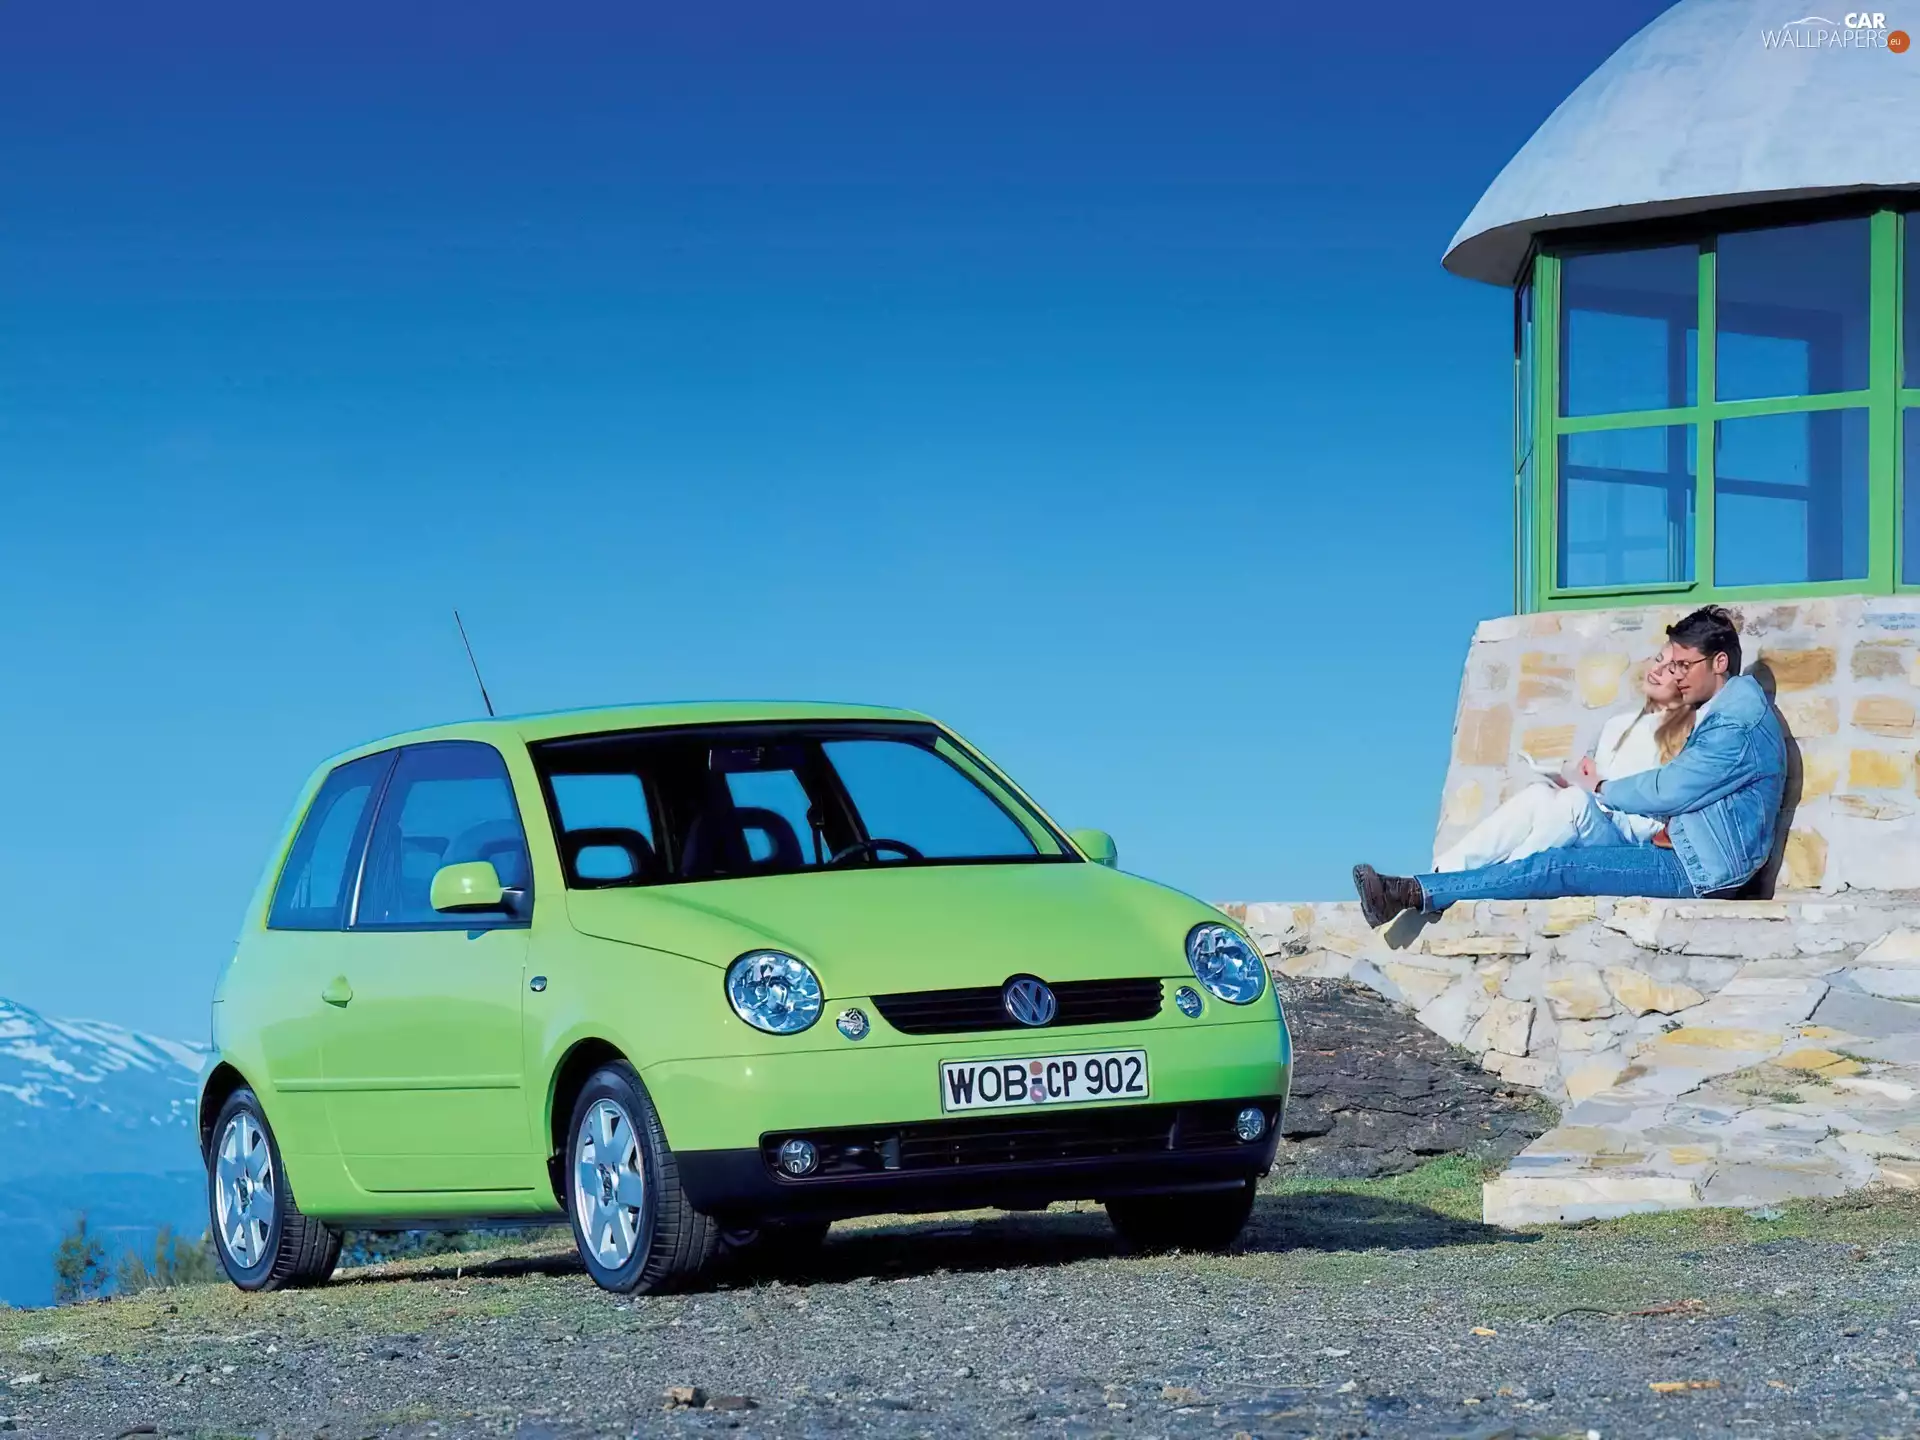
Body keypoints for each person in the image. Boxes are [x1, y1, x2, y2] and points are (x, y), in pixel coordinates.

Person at [1352, 606, 1785, 926]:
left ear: (1720, 663)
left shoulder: (1735, 724)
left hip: (1699, 871)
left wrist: (1601, 788)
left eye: (1684, 666)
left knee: (1557, 867)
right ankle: (1426, 884)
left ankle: (1414, 891)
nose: (1677, 675)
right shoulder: (1727, 712)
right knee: (1550, 836)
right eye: (1672, 664)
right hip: (1683, 852)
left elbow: (1669, 790)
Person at [1431, 646, 1695, 872]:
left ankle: (1498, 877)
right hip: (1596, 814)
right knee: (1537, 794)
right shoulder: (1619, 723)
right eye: (1659, 659)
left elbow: (1655, 815)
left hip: (1627, 840)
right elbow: (1593, 780)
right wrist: (1576, 780)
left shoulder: (1685, 735)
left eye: (1671, 668)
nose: (1658, 669)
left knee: (1574, 803)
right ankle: (1444, 871)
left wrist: (1599, 791)